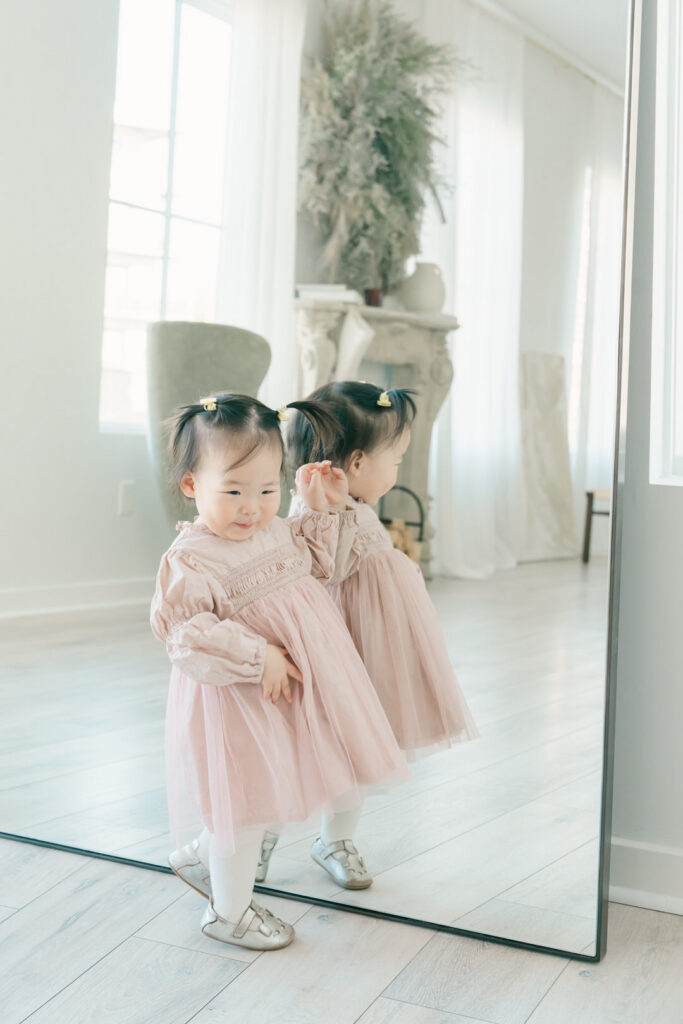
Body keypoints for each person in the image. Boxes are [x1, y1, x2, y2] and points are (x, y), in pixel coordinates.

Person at [150, 392, 407, 952]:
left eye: (268, 490)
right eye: (234, 491)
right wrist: (257, 654)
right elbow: (186, 637)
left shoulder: (276, 531)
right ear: (192, 484)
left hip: (286, 699)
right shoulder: (191, 558)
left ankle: (202, 858)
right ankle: (228, 912)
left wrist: (317, 509)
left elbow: (320, 568)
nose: (252, 507)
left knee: (268, 795)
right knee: (244, 804)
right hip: (240, 702)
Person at [253, 381, 479, 884]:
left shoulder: (356, 505)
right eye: (395, 460)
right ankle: (260, 840)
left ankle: (335, 839)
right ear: (356, 463)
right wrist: (321, 510)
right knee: (301, 748)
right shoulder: (317, 509)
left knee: (358, 746)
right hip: (337, 645)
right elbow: (320, 570)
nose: (397, 470)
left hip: (371, 647)